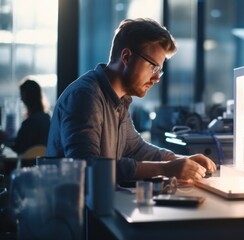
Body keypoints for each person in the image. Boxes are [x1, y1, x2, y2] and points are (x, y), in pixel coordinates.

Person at [46, 18, 216, 182]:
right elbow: (89, 167)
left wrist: (182, 160)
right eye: (153, 67)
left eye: (160, 70)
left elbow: (136, 148)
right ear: (126, 57)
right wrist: (165, 169)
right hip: (76, 210)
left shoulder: (119, 100)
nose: (157, 78)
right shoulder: (85, 96)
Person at [0, 78, 51, 155]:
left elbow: (18, 147)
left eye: (21, 94)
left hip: (28, 163)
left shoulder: (31, 122)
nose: (21, 99)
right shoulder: (46, 118)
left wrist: (4, 138)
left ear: (26, 96)